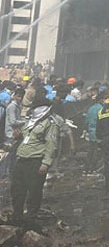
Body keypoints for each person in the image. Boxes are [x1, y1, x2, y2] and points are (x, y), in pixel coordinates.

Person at [10, 96, 58, 224]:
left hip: (35, 161)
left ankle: (31, 217)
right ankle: (17, 215)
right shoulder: (30, 121)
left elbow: (51, 145)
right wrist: (18, 136)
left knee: (34, 190)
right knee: (17, 189)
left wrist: (45, 164)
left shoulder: (50, 123)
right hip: (21, 159)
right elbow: (25, 138)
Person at [84, 88, 104, 173]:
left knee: (90, 150)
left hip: (90, 131)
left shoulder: (91, 108)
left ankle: (87, 166)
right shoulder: (102, 108)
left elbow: (86, 121)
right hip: (98, 132)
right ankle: (94, 167)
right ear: (101, 100)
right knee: (97, 151)